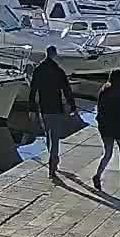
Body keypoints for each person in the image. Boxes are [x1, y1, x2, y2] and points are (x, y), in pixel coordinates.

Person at [28, 46, 77, 181]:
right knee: (55, 136)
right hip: (56, 108)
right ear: (54, 55)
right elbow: (66, 90)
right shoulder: (58, 71)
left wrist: (32, 109)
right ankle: (53, 161)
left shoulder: (38, 70)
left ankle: (52, 156)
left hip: (44, 108)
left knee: (48, 134)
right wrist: (72, 106)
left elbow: (33, 91)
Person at [94, 69, 120, 190]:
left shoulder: (104, 90)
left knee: (108, 153)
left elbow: (100, 109)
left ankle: (98, 174)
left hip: (106, 127)